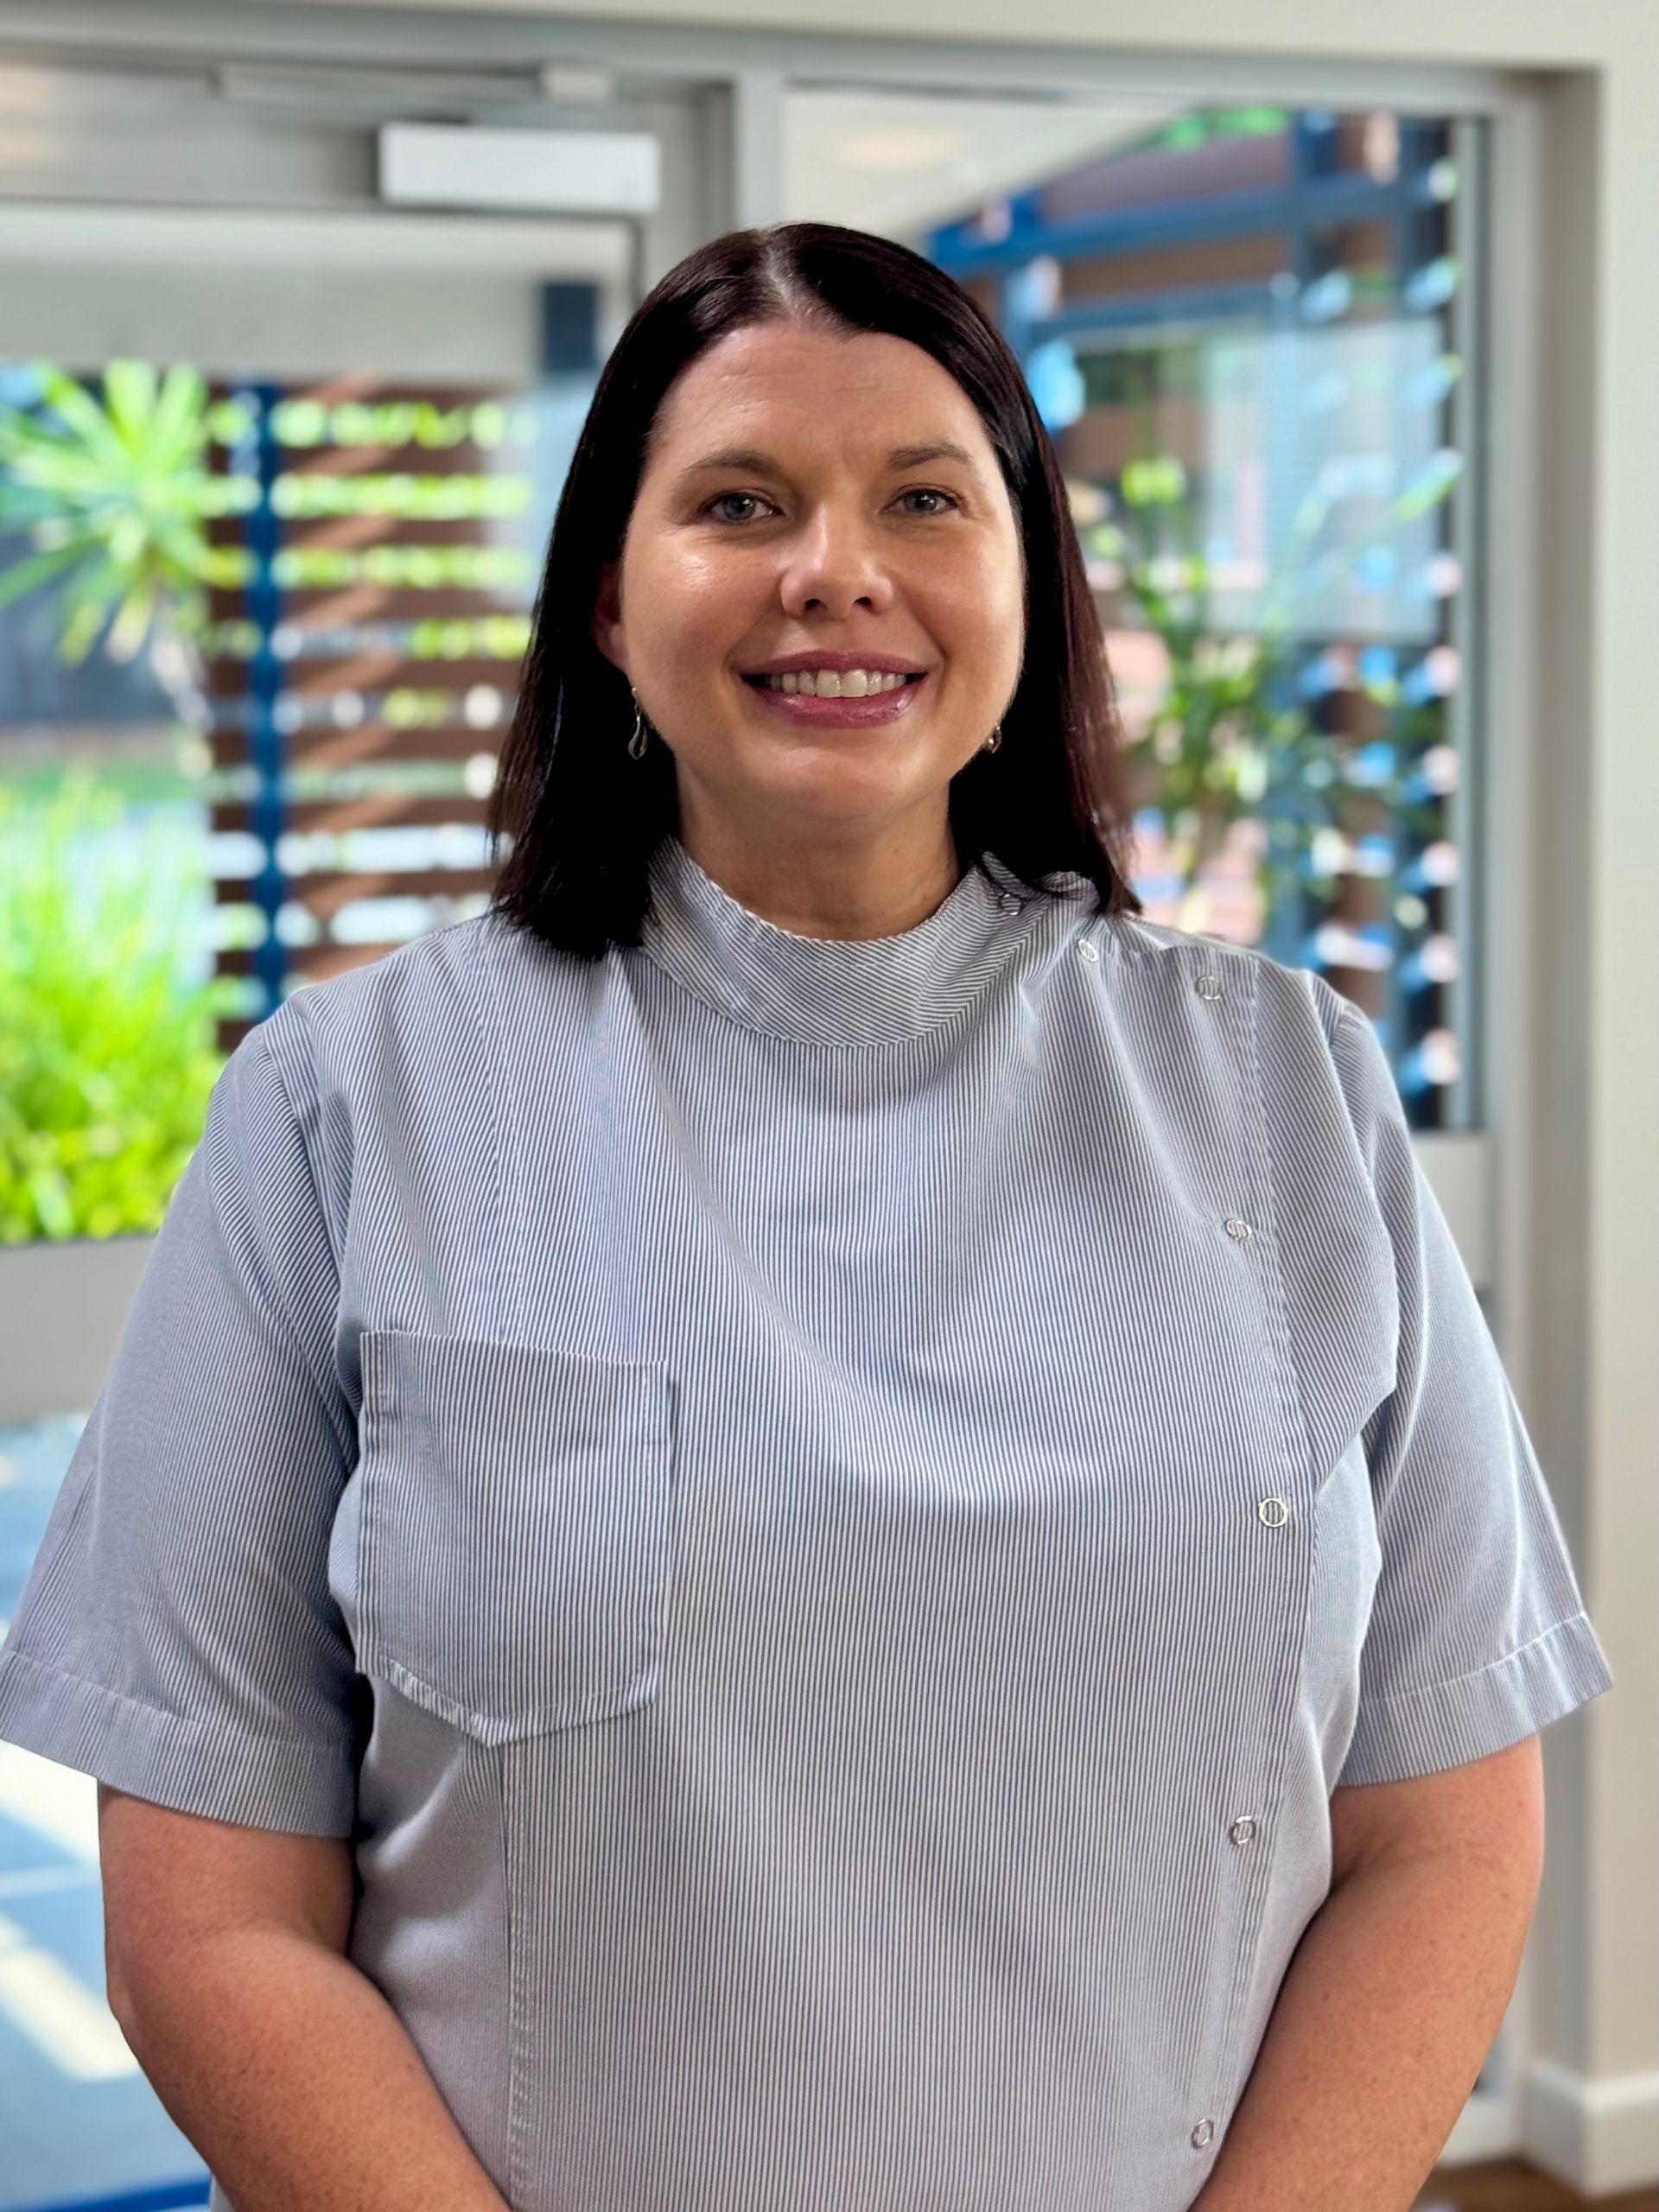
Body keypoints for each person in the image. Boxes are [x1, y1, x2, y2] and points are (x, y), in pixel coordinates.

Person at [0, 222, 1613, 2212]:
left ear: (1026, 581)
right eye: (740, 502)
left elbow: (1445, 1830)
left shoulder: (1289, 1091)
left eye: (925, 498)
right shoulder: (348, 1108)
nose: (832, 569)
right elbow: (212, 1918)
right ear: (608, 591)